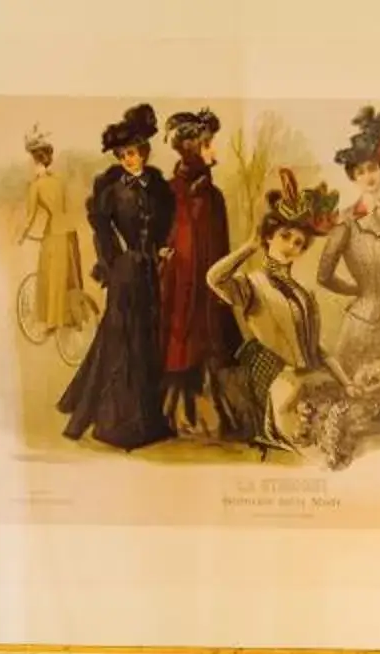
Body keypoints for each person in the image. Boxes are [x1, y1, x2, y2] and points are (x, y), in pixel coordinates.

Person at [209, 174, 380, 468]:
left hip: (320, 380)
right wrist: (249, 246)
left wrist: (347, 382)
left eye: (299, 243)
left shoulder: (303, 293)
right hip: (286, 388)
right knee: (327, 452)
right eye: (285, 236)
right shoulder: (251, 286)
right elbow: (214, 278)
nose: (292, 246)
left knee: (364, 436)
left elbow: (318, 349)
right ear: (269, 236)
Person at [57, 104, 176, 451]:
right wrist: (112, 260)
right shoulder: (110, 188)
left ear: (144, 153)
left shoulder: (157, 186)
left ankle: (148, 415)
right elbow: (101, 229)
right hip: (125, 272)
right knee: (121, 338)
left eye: (134, 153)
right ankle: (118, 421)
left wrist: (160, 248)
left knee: (145, 337)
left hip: (149, 271)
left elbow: (165, 223)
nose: (129, 159)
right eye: (123, 155)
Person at [157, 108, 240, 440]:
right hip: (177, 287)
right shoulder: (166, 192)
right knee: (178, 347)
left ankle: (210, 416)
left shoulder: (215, 198)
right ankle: (173, 414)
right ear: (190, 147)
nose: (214, 153)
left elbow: (221, 249)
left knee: (208, 345)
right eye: (207, 146)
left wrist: (222, 292)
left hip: (206, 290)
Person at [315, 107, 380, 380]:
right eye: (362, 171)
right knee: (353, 400)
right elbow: (324, 276)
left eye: (374, 168)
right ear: (354, 177)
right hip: (359, 328)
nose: (369, 176)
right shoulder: (346, 222)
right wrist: (357, 290)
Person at [15, 129, 83, 342]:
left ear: (35, 161)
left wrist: (21, 236)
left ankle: (53, 323)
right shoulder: (59, 180)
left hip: (53, 233)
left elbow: (29, 217)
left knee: (51, 278)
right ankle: (73, 318)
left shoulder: (36, 186)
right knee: (69, 277)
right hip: (70, 232)